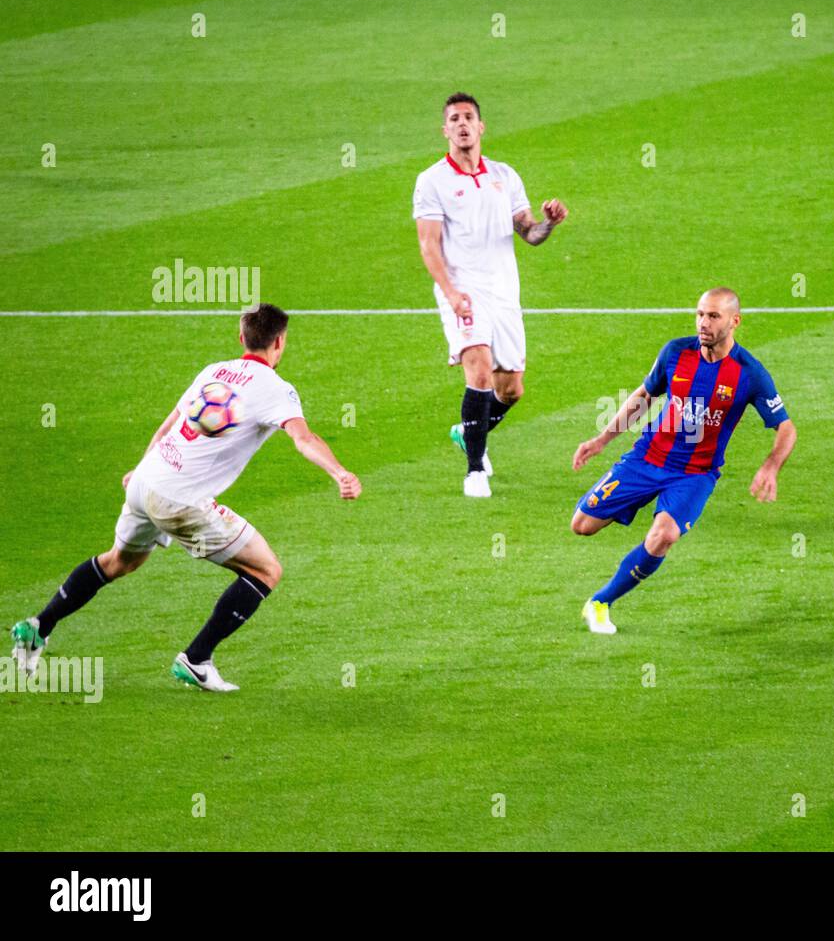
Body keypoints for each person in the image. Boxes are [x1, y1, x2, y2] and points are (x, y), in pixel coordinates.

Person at [9, 304, 362, 691]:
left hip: (148, 482)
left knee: (117, 563)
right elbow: (304, 439)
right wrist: (340, 472)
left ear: (241, 337)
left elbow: (168, 427)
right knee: (266, 571)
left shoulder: (213, 371)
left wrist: (141, 468)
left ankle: (39, 626)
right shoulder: (277, 390)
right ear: (279, 342)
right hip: (180, 500)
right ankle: (196, 659)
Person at [570, 288, 797, 633]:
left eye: (713, 316)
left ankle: (600, 602)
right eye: (700, 314)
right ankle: (631, 506)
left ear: (735, 321)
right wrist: (603, 439)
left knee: (664, 535)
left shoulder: (748, 373)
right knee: (582, 525)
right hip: (646, 458)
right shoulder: (675, 352)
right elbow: (645, 396)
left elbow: (786, 428)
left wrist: (770, 465)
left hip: (695, 475)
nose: (703, 323)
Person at [413, 92, 569, 497]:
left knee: (511, 389)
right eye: (454, 119)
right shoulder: (432, 181)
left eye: (469, 117)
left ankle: (468, 432)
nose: (462, 124)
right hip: (463, 291)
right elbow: (429, 245)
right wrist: (450, 293)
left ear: (481, 127)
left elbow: (529, 233)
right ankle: (474, 472)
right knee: (479, 371)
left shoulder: (505, 175)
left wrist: (549, 224)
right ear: (445, 130)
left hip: (504, 294)